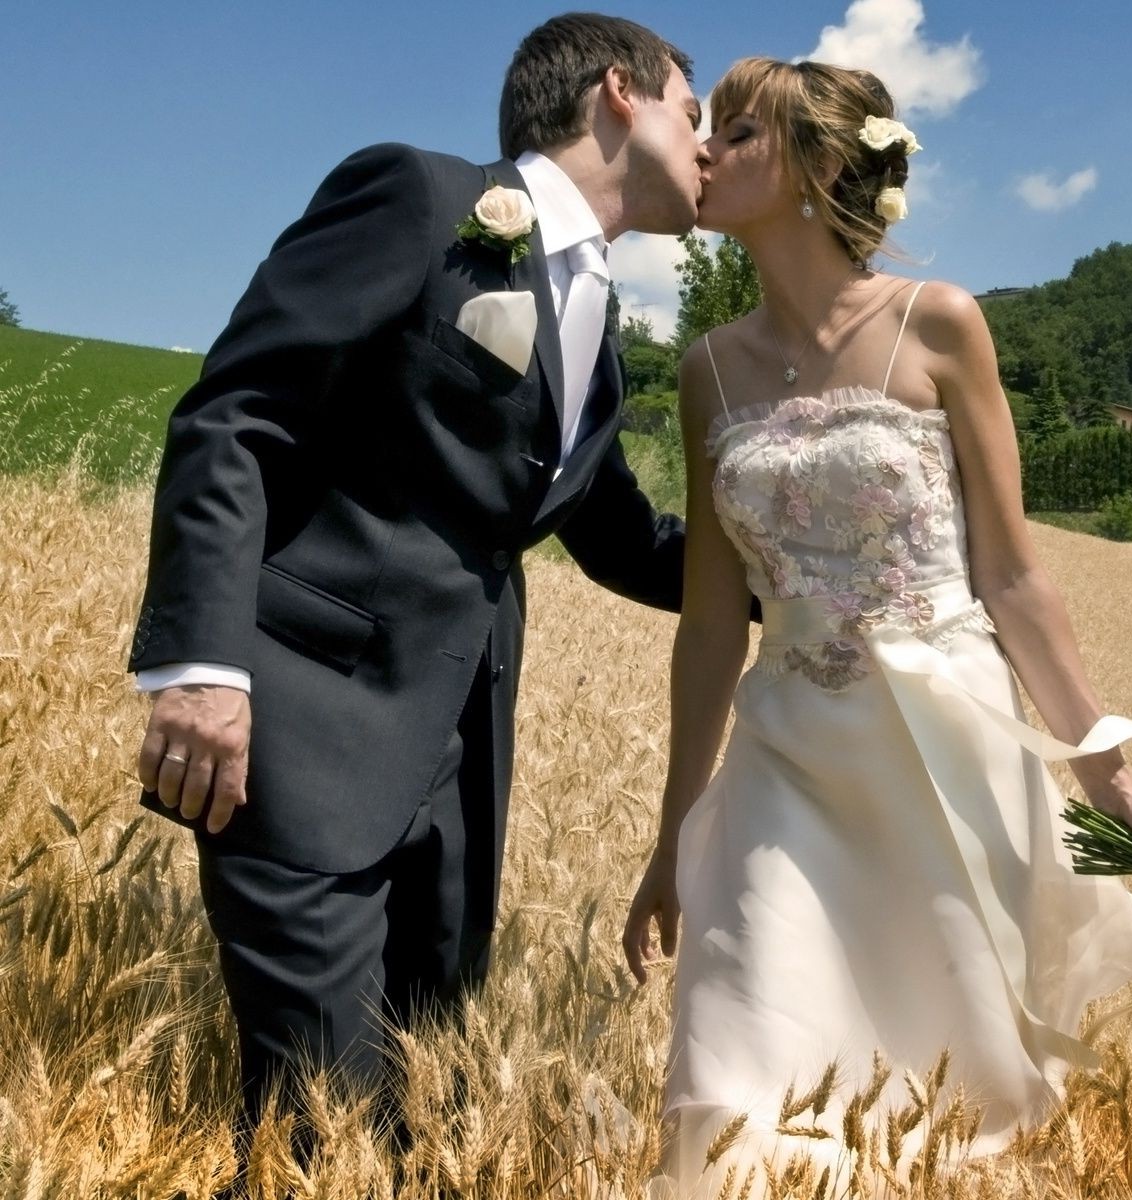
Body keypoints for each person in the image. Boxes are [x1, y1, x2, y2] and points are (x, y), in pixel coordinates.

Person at [127, 12, 705, 1161]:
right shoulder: (419, 197)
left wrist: (810, 581)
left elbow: (620, 536)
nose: (708, 144)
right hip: (300, 724)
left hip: (460, 764)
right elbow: (236, 413)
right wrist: (198, 667)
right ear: (621, 94)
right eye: (695, 112)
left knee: (419, 1115)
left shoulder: (603, 334)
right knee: (318, 1129)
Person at [620, 56, 1132, 1195]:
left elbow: (1016, 581)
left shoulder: (940, 326)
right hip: (782, 764)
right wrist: (672, 838)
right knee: (733, 1080)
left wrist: (1115, 785)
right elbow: (706, 627)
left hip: (948, 757)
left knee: (959, 1104)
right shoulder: (706, 375)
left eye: (736, 134)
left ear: (818, 166)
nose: (703, 151)